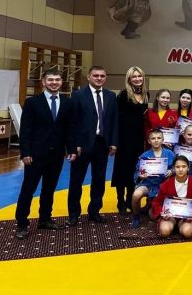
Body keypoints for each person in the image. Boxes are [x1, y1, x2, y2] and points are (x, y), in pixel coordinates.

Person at [15, 69, 73, 239]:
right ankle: (22, 224)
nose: (54, 82)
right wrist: (25, 152)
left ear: (61, 82)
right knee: (28, 189)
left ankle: (45, 219)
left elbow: (69, 128)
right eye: (50, 80)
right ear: (43, 82)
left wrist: (70, 149)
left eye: (57, 79)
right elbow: (25, 130)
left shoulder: (67, 102)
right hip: (35, 155)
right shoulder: (32, 102)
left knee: (49, 189)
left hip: (57, 155)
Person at [68, 66, 118, 226]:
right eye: (95, 75)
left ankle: (94, 211)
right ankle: (73, 214)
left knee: (99, 179)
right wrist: (74, 144)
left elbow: (114, 120)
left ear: (105, 78)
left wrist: (113, 142)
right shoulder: (78, 95)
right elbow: (72, 122)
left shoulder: (111, 96)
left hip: (102, 143)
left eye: (102, 76)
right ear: (88, 77)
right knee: (76, 180)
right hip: (82, 145)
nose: (99, 78)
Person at [112, 66, 149, 215]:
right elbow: (116, 118)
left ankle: (129, 199)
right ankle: (120, 201)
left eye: (139, 76)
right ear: (129, 79)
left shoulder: (146, 94)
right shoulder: (123, 95)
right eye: (134, 77)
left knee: (135, 169)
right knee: (122, 169)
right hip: (124, 138)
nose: (137, 79)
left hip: (138, 138)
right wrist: (114, 140)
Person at [151, 156, 192, 239]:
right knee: (164, 232)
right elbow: (157, 202)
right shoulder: (166, 184)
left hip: (187, 218)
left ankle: (191, 227)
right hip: (170, 217)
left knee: (187, 232)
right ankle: (171, 226)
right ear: (174, 168)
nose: (181, 169)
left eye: (184, 166)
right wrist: (162, 213)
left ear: (188, 168)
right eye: (177, 167)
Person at [131, 129, 176, 228]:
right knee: (136, 195)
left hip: (164, 184)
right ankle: (136, 216)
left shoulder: (170, 153)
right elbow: (137, 172)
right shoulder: (144, 156)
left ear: (163, 140)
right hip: (148, 184)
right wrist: (140, 175)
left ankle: (150, 206)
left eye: (159, 138)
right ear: (149, 141)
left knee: (154, 216)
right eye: (153, 138)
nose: (156, 140)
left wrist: (172, 171)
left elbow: (176, 167)